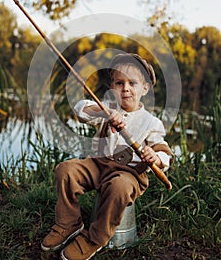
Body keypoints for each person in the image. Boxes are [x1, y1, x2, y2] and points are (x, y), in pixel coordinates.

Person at [41, 53, 173, 260]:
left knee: (119, 187)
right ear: (112, 87)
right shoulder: (108, 109)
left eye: (132, 83)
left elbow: (164, 152)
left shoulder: (151, 123)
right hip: (97, 165)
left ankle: (95, 238)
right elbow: (80, 110)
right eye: (119, 83)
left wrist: (154, 157)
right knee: (66, 170)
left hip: (128, 174)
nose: (125, 88)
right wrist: (103, 113)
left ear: (145, 89)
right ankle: (69, 223)